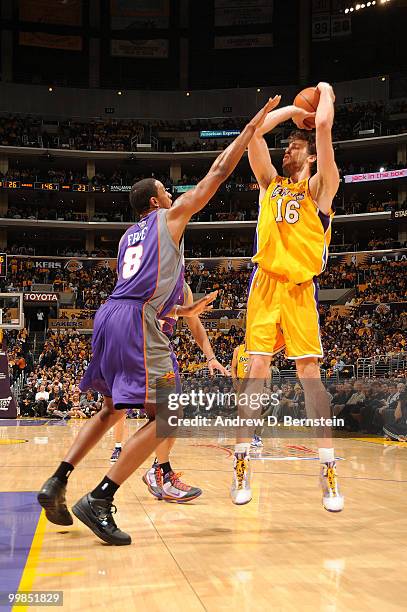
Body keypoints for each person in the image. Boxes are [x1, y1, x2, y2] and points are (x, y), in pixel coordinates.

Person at [38, 96, 280, 546]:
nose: (173, 194)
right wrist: (250, 130)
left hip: (110, 315)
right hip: (135, 324)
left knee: (113, 407)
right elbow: (218, 174)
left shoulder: (128, 237)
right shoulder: (168, 218)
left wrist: (182, 311)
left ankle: (57, 479)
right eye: (166, 191)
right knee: (170, 412)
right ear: (155, 200)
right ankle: (102, 498)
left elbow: (140, 287)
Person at [231, 83, 344, 512]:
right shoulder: (269, 185)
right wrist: (292, 111)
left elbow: (326, 127)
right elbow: (254, 135)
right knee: (256, 369)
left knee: (310, 373)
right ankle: (241, 463)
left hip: (299, 291)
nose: (288, 152)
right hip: (265, 285)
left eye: (296, 147)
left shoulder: (320, 190)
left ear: (311, 156)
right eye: (288, 147)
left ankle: (328, 466)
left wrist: (324, 95)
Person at [110, 282, 229, 505]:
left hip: (162, 353)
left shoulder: (183, 288)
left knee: (170, 417)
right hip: (139, 351)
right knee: (161, 415)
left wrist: (211, 357)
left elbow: (195, 325)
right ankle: (159, 474)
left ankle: (158, 471)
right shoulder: (146, 278)